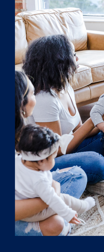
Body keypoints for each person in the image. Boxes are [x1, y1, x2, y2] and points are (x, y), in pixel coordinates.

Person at [22, 35, 104, 198]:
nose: (77, 57)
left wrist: (102, 121)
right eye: (73, 54)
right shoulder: (44, 99)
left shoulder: (65, 87)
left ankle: (100, 178)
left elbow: (77, 131)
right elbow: (56, 150)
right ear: (60, 61)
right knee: (96, 162)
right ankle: (101, 174)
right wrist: (93, 121)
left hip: (69, 149)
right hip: (46, 161)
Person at [15, 70, 88, 236]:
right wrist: (52, 195)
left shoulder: (22, 130)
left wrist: (51, 188)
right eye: (33, 93)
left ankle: (56, 213)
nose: (36, 99)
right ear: (21, 102)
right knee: (56, 224)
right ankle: (56, 220)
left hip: (29, 188)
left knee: (77, 174)